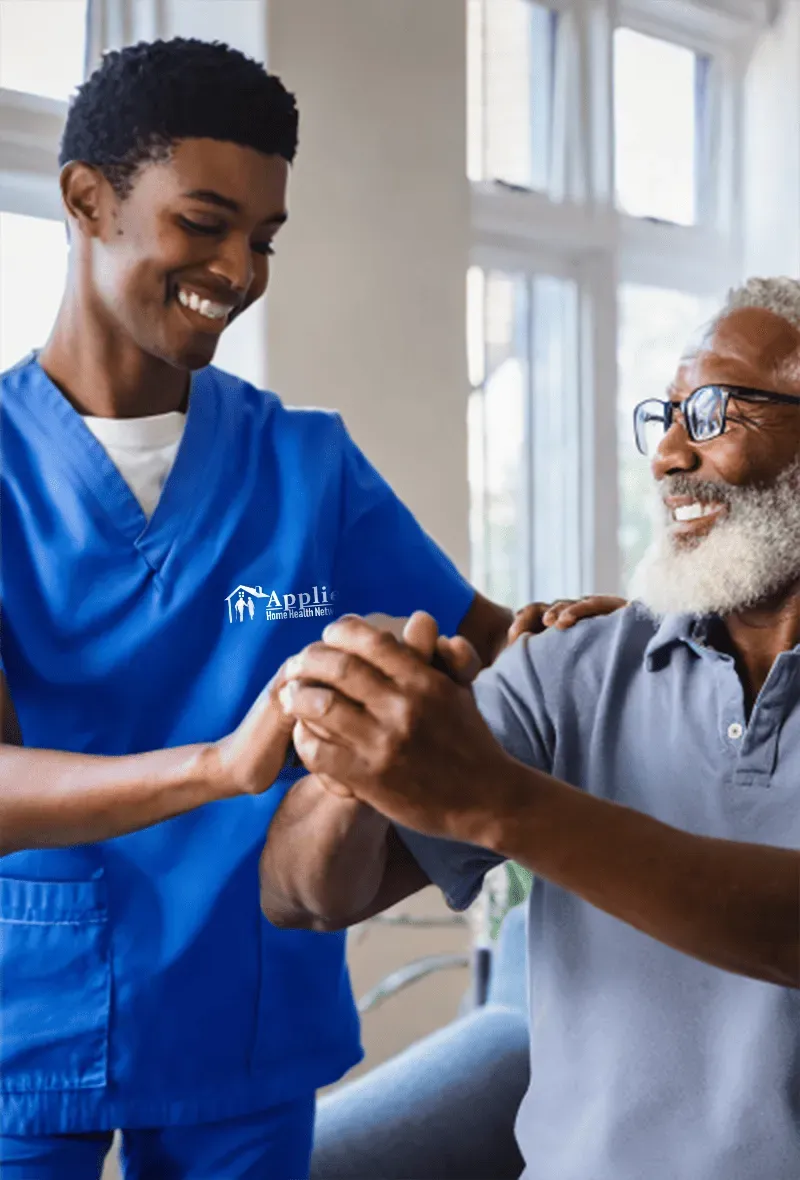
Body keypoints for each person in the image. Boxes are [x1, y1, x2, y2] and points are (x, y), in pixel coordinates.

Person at [0, 35, 625, 1180]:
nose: (239, 268)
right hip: (29, 1016)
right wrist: (224, 765)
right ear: (86, 200)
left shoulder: (305, 465)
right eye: (203, 223)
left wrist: (568, 638)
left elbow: (483, 638)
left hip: (248, 1005)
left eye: (264, 237)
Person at [264, 276, 800, 1180]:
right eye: (662, 417)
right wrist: (363, 758)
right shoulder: (574, 664)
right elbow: (302, 894)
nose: (668, 453)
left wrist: (501, 802)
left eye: (712, 411)